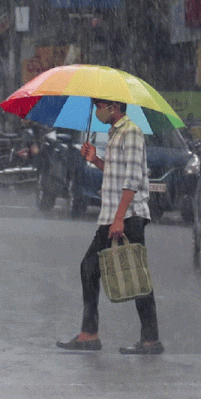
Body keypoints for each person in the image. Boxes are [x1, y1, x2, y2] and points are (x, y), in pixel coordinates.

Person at [56, 98, 164, 355]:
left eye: (99, 105)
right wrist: (96, 160)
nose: (97, 111)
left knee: (136, 276)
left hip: (127, 216)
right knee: (90, 268)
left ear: (113, 106)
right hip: (112, 216)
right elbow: (116, 172)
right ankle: (89, 333)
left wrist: (119, 218)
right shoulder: (115, 132)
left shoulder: (132, 132)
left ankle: (150, 340)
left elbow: (133, 178)